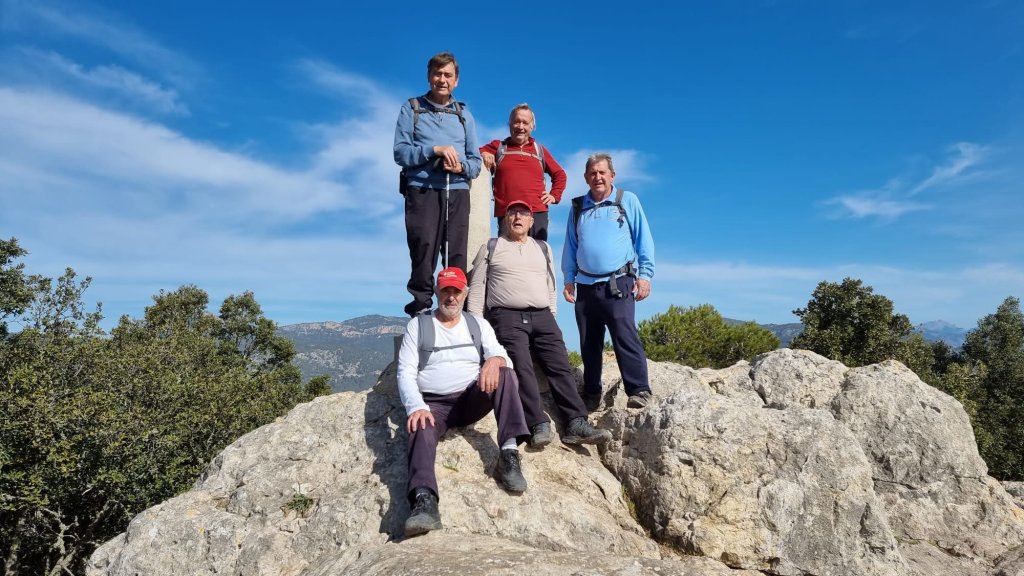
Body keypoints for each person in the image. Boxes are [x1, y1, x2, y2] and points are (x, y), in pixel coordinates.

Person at [397, 266, 531, 537]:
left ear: (465, 293)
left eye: (457, 291)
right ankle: (424, 502)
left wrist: (494, 360)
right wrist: (417, 406)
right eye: (446, 290)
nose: (451, 297)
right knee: (418, 426)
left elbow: (502, 355)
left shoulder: (477, 325)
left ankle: (508, 453)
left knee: (504, 374)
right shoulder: (418, 326)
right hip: (434, 405)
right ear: (437, 292)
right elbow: (405, 372)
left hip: (470, 400)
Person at [467, 200, 611, 447]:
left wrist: (551, 315)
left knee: (560, 365)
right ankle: (537, 424)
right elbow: (477, 288)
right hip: (506, 316)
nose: (517, 217)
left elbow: (550, 284)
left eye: (523, 213)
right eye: (512, 213)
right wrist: (478, 329)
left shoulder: (543, 248)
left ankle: (576, 422)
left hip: (542, 315)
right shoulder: (491, 247)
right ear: (505, 220)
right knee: (521, 366)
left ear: (532, 221)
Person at [561, 153, 655, 411]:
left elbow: (643, 239)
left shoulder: (627, 201)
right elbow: (570, 245)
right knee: (589, 342)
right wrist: (569, 279)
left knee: (624, 335)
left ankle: (639, 390)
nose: (597, 177)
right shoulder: (578, 207)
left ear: (612, 175)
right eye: (592, 173)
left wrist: (645, 275)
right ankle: (591, 392)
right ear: (585, 177)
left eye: (602, 172)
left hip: (619, 282)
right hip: (586, 286)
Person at [394, 52, 483, 317]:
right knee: (423, 248)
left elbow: (475, 162)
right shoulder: (412, 108)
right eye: (437, 74)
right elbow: (400, 153)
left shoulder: (464, 114)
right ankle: (421, 308)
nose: (442, 80)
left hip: (456, 189)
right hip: (421, 189)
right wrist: (434, 150)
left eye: (448, 75)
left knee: (455, 252)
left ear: (456, 81)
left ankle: (455, 308)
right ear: (429, 76)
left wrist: (460, 167)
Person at [480, 104, 566, 241]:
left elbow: (560, 174)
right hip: (507, 212)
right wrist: (485, 153)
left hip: (536, 212)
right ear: (510, 124)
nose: (520, 126)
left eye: (525, 123)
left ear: (532, 127)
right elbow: (476, 154)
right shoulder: (499, 147)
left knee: (538, 256)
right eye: (517, 121)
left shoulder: (540, 150)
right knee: (507, 259)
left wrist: (554, 195)